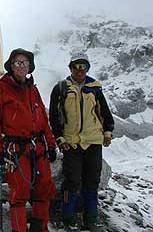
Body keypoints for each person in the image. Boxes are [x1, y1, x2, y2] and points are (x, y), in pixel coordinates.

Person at [0, 48, 57, 232]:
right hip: (15, 150)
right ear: (11, 65)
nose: (21, 66)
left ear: (30, 67)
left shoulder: (33, 90)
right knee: (20, 192)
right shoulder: (0, 89)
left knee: (44, 188)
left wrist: (50, 144)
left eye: (25, 63)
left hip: (38, 147)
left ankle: (39, 227)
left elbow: (43, 119)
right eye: (18, 62)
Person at [49, 52, 114, 232]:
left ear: (87, 68)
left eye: (83, 66)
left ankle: (91, 217)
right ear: (70, 67)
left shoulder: (95, 88)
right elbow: (54, 117)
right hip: (71, 142)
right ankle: (68, 216)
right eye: (76, 66)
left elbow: (105, 113)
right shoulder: (61, 88)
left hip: (93, 141)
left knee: (92, 181)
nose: (79, 70)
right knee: (72, 180)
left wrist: (108, 131)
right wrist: (59, 138)